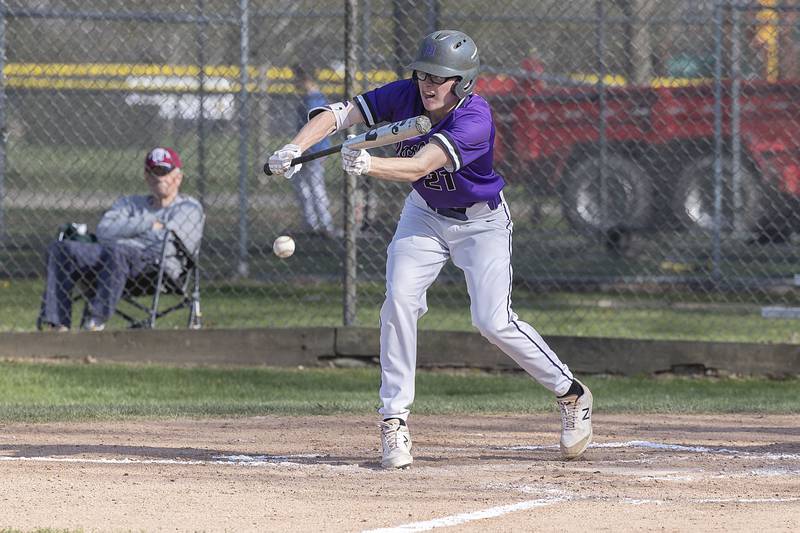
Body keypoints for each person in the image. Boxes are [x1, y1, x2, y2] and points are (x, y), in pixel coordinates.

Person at [268, 30, 593, 469]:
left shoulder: (475, 118)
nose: (429, 84)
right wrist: (295, 146)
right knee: (399, 300)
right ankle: (393, 421)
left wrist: (369, 164)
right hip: (424, 215)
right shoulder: (405, 96)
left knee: (491, 321)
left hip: (482, 223)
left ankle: (571, 393)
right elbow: (340, 114)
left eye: (441, 78)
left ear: (463, 83)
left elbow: (421, 165)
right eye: (424, 74)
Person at [38, 147, 204, 331]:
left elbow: (169, 246)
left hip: (156, 267)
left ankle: (94, 322)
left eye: (164, 172)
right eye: (153, 172)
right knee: (61, 249)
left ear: (178, 177)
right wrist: (149, 223)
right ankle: (58, 325)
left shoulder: (189, 208)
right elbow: (104, 231)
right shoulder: (129, 203)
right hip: (111, 259)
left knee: (118, 251)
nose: (159, 178)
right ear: (146, 176)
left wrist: (124, 233)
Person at [288, 64, 335, 237]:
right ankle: (312, 224)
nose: (295, 83)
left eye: (297, 79)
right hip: (305, 150)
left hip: (313, 150)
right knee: (303, 186)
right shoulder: (308, 98)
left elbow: (318, 128)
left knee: (315, 187)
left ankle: (325, 224)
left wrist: (307, 149)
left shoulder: (314, 99)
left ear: (305, 79)